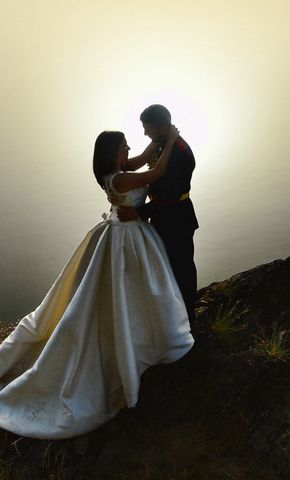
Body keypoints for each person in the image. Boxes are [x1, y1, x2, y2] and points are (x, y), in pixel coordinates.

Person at [0, 128, 194, 439]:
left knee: (126, 291)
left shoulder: (116, 172)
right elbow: (156, 171)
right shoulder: (120, 179)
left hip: (122, 231)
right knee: (128, 290)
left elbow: (144, 158)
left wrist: (157, 139)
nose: (129, 148)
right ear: (114, 152)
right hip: (126, 239)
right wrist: (171, 141)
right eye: (123, 146)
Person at [118, 105, 199, 325]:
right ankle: (174, 313)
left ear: (163, 128)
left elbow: (169, 196)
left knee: (182, 267)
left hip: (178, 218)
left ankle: (189, 318)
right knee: (166, 267)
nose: (145, 134)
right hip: (163, 218)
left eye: (149, 129)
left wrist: (138, 212)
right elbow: (137, 164)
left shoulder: (179, 154)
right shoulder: (161, 143)